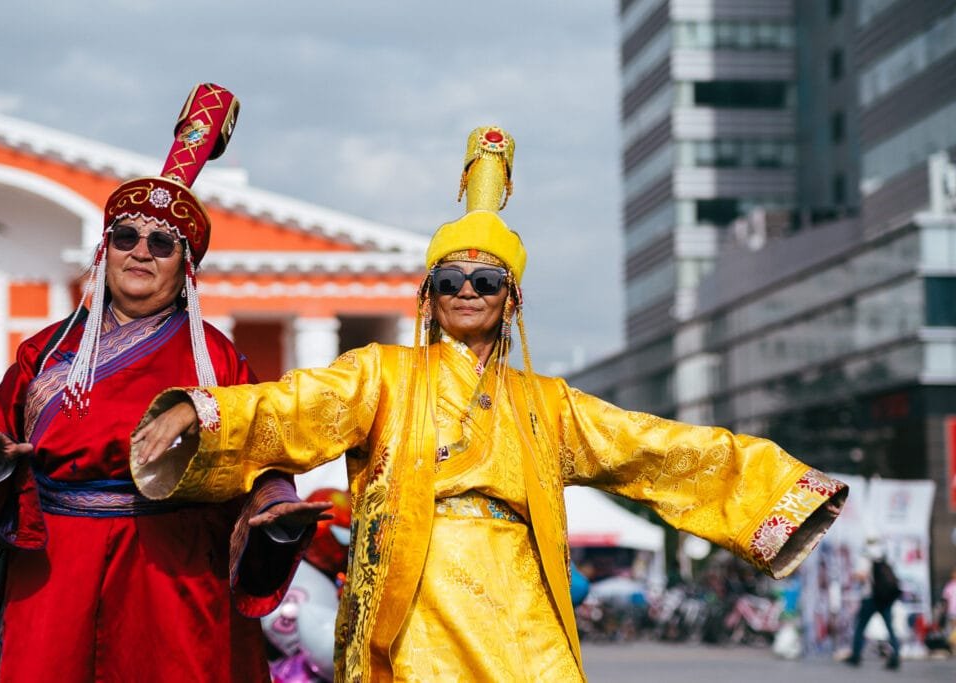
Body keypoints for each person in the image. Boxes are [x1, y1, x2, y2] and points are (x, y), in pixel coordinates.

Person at [131, 125, 849, 682]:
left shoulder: (549, 403)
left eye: (486, 280)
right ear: (429, 295)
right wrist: (203, 419)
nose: (468, 290)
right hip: (415, 599)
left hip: (521, 601)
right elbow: (291, 408)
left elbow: (654, 449)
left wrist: (774, 489)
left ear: (512, 300)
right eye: (451, 279)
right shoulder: (381, 374)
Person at [0, 84, 327, 682]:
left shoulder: (219, 363)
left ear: (185, 265)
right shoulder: (44, 351)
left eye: (161, 242)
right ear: (105, 252)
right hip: (55, 571)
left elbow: (263, 459)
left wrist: (276, 514)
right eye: (125, 238)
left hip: (173, 574)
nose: (140, 252)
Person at [843, 537, 901, 670]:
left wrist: (854, 576)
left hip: (870, 597)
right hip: (884, 598)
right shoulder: (882, 557)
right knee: (890, 627)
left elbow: (861, 576)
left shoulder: (866, 557)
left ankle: (856, 655)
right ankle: (896, 654)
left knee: (860, 626)